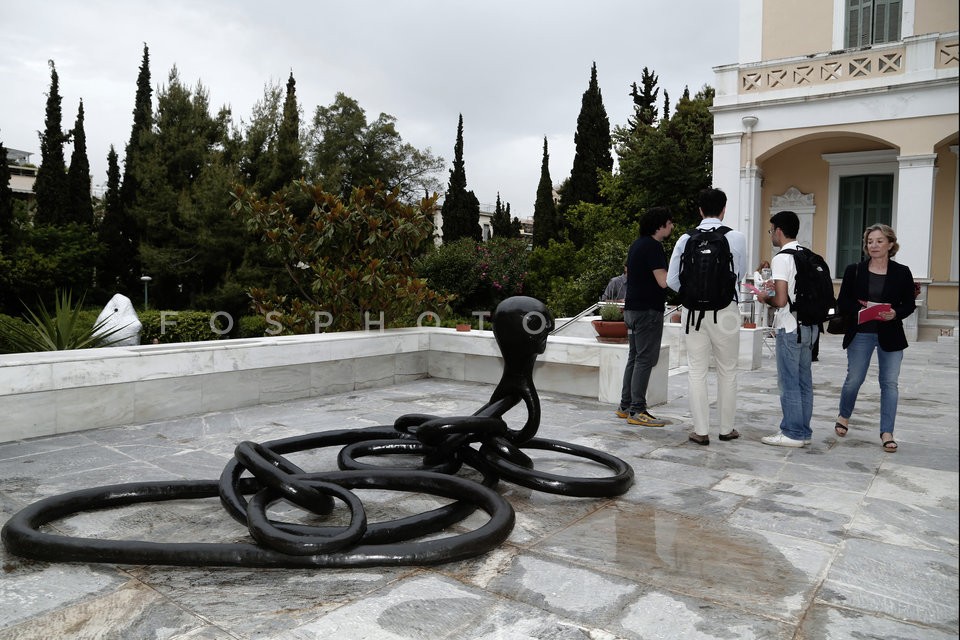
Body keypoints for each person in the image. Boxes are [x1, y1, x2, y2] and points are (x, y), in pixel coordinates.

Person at [666, 188, 746, 445]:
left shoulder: (685, 239)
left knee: (697, 371)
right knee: (728, 371)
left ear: (700, 210)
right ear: (724, 209)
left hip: (693, 314)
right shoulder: (736, 237)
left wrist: (693, 293)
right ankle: (726, 429)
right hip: (726, 311)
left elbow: (672, 280)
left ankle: (700, 431)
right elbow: (739, 275)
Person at [832, 223, 915, 452]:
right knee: (854, 379)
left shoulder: (902, 272)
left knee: (890, 384)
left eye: (879, 241)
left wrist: (895, 313)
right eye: (870, 242)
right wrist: (862, 309)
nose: (874, 245)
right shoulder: (854, 270)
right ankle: (844, 415)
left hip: (891, 334)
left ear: (890, 244)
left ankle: (887, 432)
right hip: (861, 332)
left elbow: (909, 304)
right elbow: (843, 301)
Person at [756, 210, 817, 447]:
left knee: (788, 381)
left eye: (771, 230)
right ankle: (804, 431)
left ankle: (792, 433)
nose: (771, 235)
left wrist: (764, 297)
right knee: (804, 381)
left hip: (789, 327)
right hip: (808, 326)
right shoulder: (807, 254)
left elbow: (780, 301)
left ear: (779, 231)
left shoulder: (782, 258)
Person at [616, 207, 674, 426]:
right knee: (644, 358)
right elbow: (663, 281)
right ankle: (637, 410)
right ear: (660, 225)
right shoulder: (653, 246)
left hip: (632, 310)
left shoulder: (637, 245)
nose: (672, 226)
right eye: (670, 222)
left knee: (634, 356)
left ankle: (625, 406)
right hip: (648, 311)